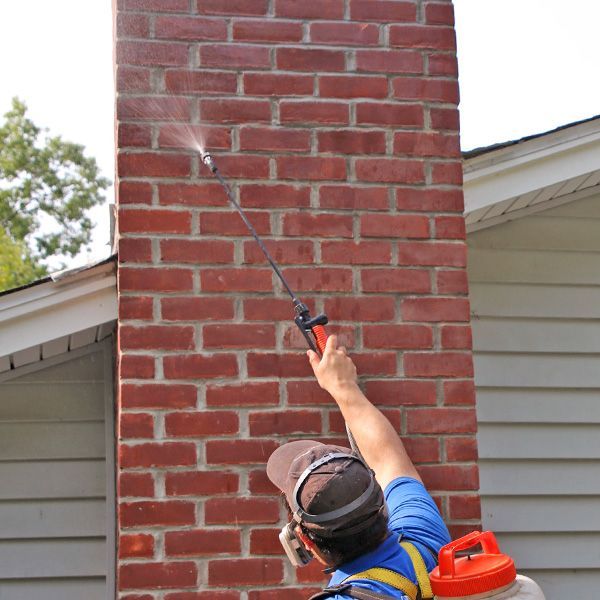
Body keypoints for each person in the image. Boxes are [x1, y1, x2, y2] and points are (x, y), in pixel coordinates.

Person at [266, 335, 451, 599]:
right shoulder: (424, 537)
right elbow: (388, 459)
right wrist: (343, 386)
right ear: (382, 504)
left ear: (304, 542)